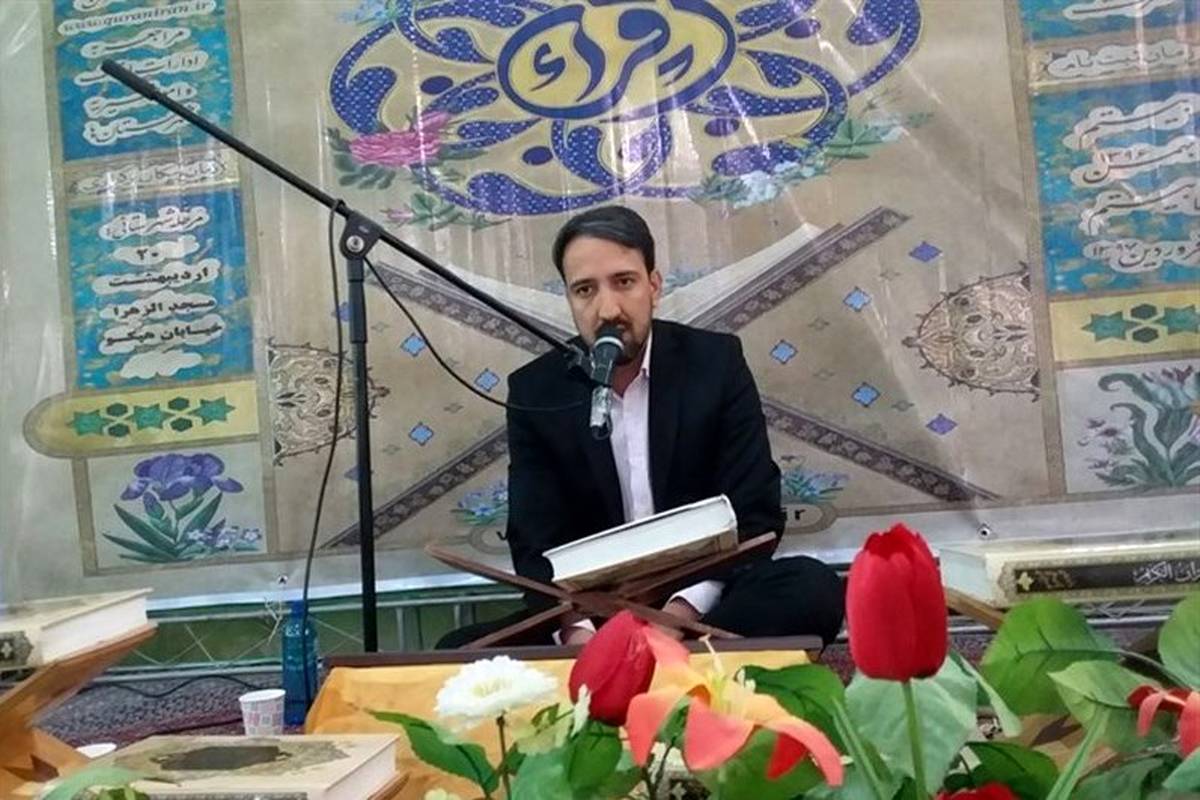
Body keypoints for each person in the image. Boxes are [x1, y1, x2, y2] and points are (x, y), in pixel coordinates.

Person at [437, 206, 844, 648]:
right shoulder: (537, 390)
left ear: (654, 285)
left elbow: (754, 512)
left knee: (812, 589)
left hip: (699, 605)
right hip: (592, 611)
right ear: (569, 298)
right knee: (456, 651)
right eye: (585, 290)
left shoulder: (715, 363)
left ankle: (669, 658)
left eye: (624, 282)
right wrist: (581, 639)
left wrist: (674, 620)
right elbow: (535, 542)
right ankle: (662, 664)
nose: (607, 309)